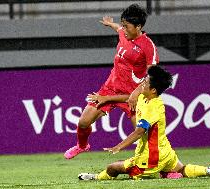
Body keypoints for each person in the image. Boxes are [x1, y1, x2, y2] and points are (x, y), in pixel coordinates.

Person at [78, 65, 210, 180]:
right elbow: (127, 98)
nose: (141, 85)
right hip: (166, 151)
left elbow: (140, 131)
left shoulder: (154, 107)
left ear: (153, 90)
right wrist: (105, 98)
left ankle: (96, 178)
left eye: (145, 83)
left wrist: (119, 146)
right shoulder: (144, 97)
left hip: (151, 158)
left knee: (113, 168)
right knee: (183, 169)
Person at [64, 4, 159, 159]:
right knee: (83, 122)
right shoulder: (124, 33)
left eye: (127, 27)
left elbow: (153, 75)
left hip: (132, 96)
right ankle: (82, 146)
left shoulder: (148, 46)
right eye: (123, 25)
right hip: (111, 88)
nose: (124, 29)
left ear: (138, 26)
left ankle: (164, 168)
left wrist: (136, 93)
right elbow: (118, 29)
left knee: (144, 136)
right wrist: (110, 24)